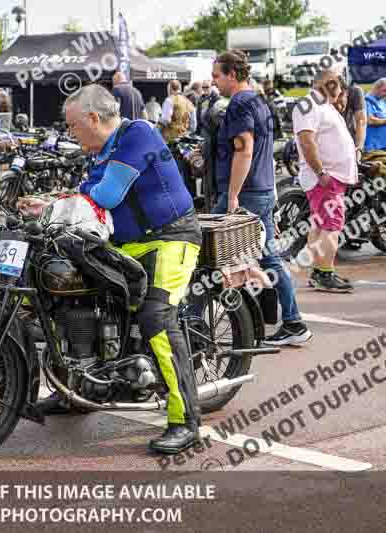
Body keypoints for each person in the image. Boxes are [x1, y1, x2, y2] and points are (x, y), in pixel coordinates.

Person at [33, 84, 203, 455]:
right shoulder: (101, 150)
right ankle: (74, 392)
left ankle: (186, 421)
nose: (71, 134)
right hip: (125, 242)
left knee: (157, 316)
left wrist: (73, 194)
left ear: (94, 119)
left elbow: (106, 194)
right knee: (70, 295)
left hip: (169, 239)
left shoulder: (137, 134)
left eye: (73, 126)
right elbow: (88, 190)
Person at [211, 50, 312, 346]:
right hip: (262, 190)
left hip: (248, 193)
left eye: (217, 75)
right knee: (270, 257)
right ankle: (293, 322)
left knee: (204, 249)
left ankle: (193, 319)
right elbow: (263, 153)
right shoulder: (258, 100)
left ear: (231, 74)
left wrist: (232, 196)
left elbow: (245, 149)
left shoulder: (240, 104)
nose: (213, 81)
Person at [293, 67, 357, 293]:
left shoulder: (321, 105)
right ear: (328, 83)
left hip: (329, 177)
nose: (341, 90)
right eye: (338, 84)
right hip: (325, 178)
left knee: (321, 224)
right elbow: (306, 141)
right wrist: (320, 173)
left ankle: (320, 272)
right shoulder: (309, 105)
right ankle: (325, 274)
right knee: (332, 224)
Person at [364, 78, 386, 152]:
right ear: (376, 88)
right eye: (384, 90)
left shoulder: (381, 101)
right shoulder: (366, 101)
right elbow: (370, 120)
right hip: (375, 146)